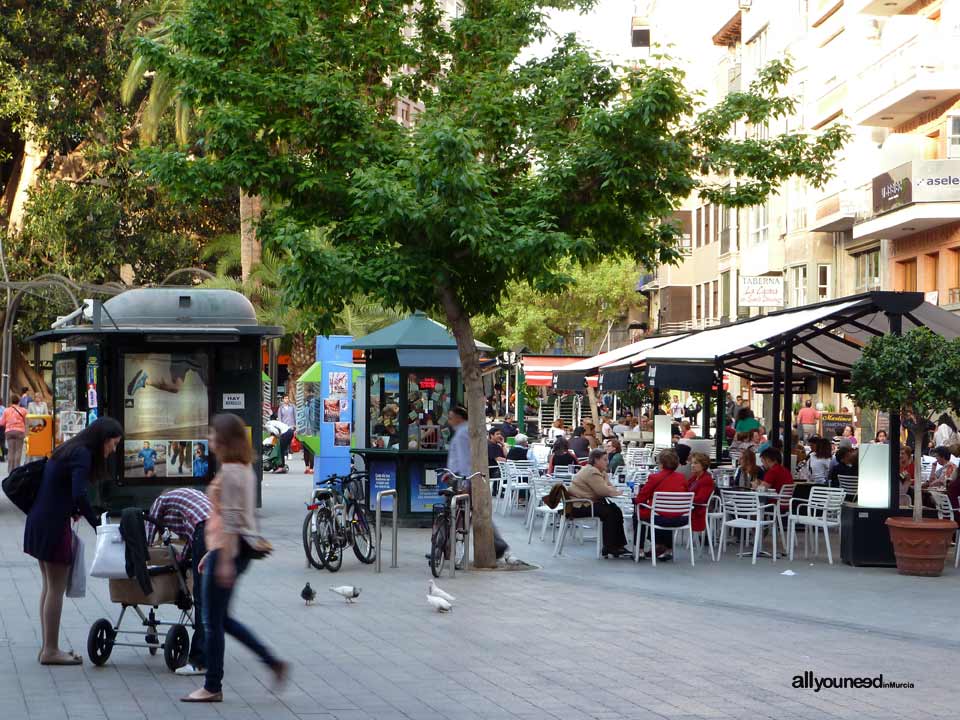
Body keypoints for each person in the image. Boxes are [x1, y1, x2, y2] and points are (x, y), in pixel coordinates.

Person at [182, 413, 287, 703]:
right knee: (222, 619)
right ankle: (271, 661)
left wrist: (223, 559)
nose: (209, 439)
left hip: (229, 548)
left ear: (225, 439)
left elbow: (230, 520)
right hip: (231, 548)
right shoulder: (245, 468)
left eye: (213, 434)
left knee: (212, 621)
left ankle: (212, 685)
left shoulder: (229, 471)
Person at [23, 417, 123, 665]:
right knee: (55, 588)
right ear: (103, 439)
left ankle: (48, 646)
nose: (113, 451)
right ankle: (51, 650)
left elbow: (64, 489)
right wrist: (97, 524)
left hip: (40, 519)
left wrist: (73, 507)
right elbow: (79, 492)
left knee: (49, 586)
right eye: (113, 444)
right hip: (54, 525)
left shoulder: (70, 448)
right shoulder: (83, 454)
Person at [145, 488, 213, 676]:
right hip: (219, 528)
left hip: (206, 530)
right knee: (210, 596)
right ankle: (212, 652)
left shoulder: (161, 500)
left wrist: (143, 553)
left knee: (201, 599)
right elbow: (192, 541)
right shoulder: (188, 499)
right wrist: (182, 561)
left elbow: (149, 530)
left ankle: (200, 661)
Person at [442, 406, 510, 560]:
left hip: (464, 478)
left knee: (459, 512)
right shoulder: (466, 431)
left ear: (460, 417)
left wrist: (457, 476)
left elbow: (463, 458)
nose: (449, 420)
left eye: (451, 417)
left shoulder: (462, 433)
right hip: (467, 477)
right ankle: (497, 543)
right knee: (474, 512)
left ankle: (448, 546)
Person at [567, 449, 628, 557]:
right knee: (609, 512)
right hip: (579, 506)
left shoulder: (599, 471)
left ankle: (616, 546)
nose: (607, 462)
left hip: (586, 503)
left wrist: (611, 488)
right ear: (596, 460)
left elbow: (609, 487)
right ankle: (610, 546)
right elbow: (603, 491)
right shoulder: (592, 471)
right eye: (604, 459)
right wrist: (616, 492)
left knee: (615, 510)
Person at [634, 448, 689, 561]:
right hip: (681, 518)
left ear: (662, 463)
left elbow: (640, 499)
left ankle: (639, 550)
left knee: (638, 513)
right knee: (668, 511)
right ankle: (668, 549)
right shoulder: (682, 478)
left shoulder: (654, 478)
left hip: (660, 518)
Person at [687, 452, 715, 539]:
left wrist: (684, 499)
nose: (692, 465)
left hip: (698, 511)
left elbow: (700, 499)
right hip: (690, 507)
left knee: (666, 515)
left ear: (703, 465)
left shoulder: (706, 479)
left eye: (695, 463)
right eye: (691, 463)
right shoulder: (694, 477)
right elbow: (685, 490)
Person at [2, 394, 28, 470]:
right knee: (18, 451)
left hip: (9, 432)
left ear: (11, 401)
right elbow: (27, 421)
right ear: (19, 401)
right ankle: (16, 469)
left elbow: (2, 422)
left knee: (11, 451)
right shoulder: (23, 410)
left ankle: (10, 469)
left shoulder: (6, 410)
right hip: (20, 431)